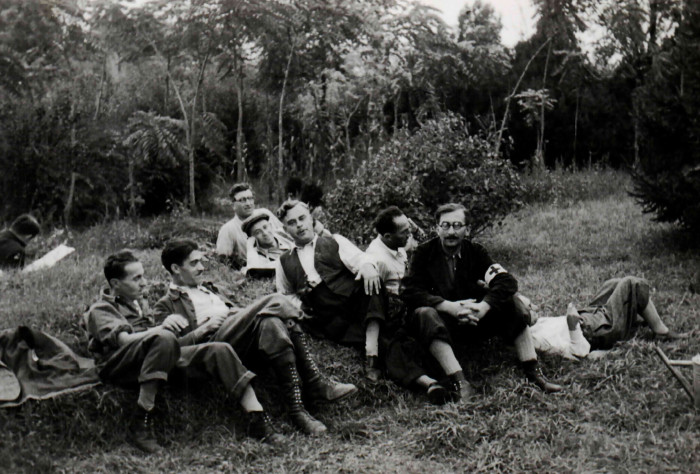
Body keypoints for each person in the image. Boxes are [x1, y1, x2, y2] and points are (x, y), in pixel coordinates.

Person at [85, 250, 283, 453]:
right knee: (164, 338)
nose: (144, 282)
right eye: (136, 278)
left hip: (153, 358)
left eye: (143, 275)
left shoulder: (138, 304)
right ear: (116, 284)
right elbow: (124, 341)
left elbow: (167, 343)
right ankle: (141, 421)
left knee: (219, 350)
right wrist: (162, 329)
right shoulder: (101, 308)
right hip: (119, 365)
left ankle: (258, 418)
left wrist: (195, 332)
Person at [153, 239, 356, 436]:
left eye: (201, 261)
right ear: (175, 269)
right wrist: (203, 329)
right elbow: (169, 348)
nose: (201, 267)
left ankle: (298, 410)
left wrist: (238, 315)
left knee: (270, 323)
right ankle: (314, 381)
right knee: (276, 300)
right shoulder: (166, 304)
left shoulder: (211, 289)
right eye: (194, 263)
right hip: (216, 341)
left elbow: (241, 314)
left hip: (240, 336)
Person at [401, 203, 563, 399]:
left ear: (467, 229)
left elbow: (506, 281)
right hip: (442, 322)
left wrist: (483, 307)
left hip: (474, 319)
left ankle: (533, 373)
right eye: (445, 225)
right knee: (424, 313)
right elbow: (409, 290)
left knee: (512, 302)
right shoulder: (423, 253)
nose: (451, 231)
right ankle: (460, 381)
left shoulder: (475, 252)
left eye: (457, 225)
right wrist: (448, 306)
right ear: (437, 228)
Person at [274, 200, 386, 382]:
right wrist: (300, 306)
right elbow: (285, 293)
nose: (299, 225)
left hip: (352, 299)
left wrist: (367, 266)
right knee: (386, 340)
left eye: (302, 218)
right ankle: (375, 353)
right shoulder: (284, 260)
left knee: (374, 281)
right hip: (325, 311)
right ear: (285, 229)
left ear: (311, 219)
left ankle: (371, 350)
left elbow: (360, 258)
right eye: (292, 223)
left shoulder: (334, 240)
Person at [365, 206, 453, 404]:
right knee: (397, 346)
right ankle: (432, 383)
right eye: (405, 232)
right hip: (394, 315)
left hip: (411, 302)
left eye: (409, 228)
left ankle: (451, 376)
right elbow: (373, 297)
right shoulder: (377, 260)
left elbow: (428, 244)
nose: (410, 234)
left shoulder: (397, 245)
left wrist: (413, 227)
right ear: (388, 236)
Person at [530, 276, 687, 359]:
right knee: (631, 284)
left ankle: (631, 317)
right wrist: (572, 327)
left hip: (588, 319)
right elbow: (580, 352)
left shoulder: (535, 325)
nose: (535, 307)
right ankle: (661, 332)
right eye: (530, 308)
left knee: (613, 284)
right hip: (594, 331)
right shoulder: (536, 340)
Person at [216, 183, 288, 266]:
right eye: (243, 200)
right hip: (259, 269)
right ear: (233, 205)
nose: (248, 203)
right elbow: (223, 260)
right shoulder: (228, 229)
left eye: (250, 198)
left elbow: (284, 234)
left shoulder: (265, 213)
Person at [241, 211, 293, 277]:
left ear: (271, 226)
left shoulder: (283, 235)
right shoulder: (258, 257)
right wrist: (250, 247)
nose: (265, 233)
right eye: (258, 232)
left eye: (265, 227)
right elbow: (253, 270)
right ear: (252, 238)